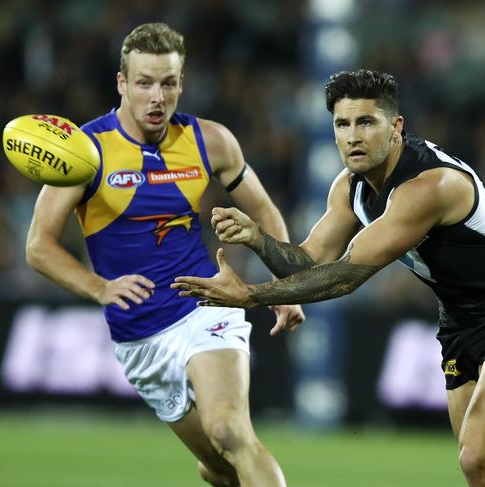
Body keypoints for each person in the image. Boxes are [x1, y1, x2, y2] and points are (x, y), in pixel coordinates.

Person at [171, 70, 485, 487]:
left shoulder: (430, 186)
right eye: (342, 124)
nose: (353, 135)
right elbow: (310, 261)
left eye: (366, 122)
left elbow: (347, 276)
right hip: (461, 323)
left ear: (396, 127)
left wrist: (250, 295)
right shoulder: (350, 188)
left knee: (478, 459)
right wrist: (258, 240)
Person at [26, 22, 304, 487]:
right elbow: (38, 246)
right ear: (122, 84)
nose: (158, 96)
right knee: (219, 466)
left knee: (229, 432)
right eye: (144, 82)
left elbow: (267, 213)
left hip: (205, 302)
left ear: (182, 83)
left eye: (168, 83)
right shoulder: (84, 151)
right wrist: (99, 287)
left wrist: (284, 284)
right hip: (138, 336)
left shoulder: (211, 141)